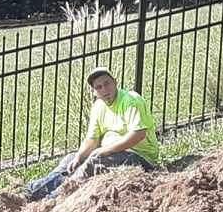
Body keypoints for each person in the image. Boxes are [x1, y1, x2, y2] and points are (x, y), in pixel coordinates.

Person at [25, 67, 161, 201]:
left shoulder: (130, 100)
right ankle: (32, 191)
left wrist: (105, 150)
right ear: (94, 92)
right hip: (111, 153)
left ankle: (54, 198)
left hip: (138, 156)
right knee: (69, 160)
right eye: (99, 87)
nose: (104, 90)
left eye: (107, 84)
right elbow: (92, 139)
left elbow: (138, 134)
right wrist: (79, 157)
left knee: (95, 162)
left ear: (115, 82)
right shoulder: (98, 106)